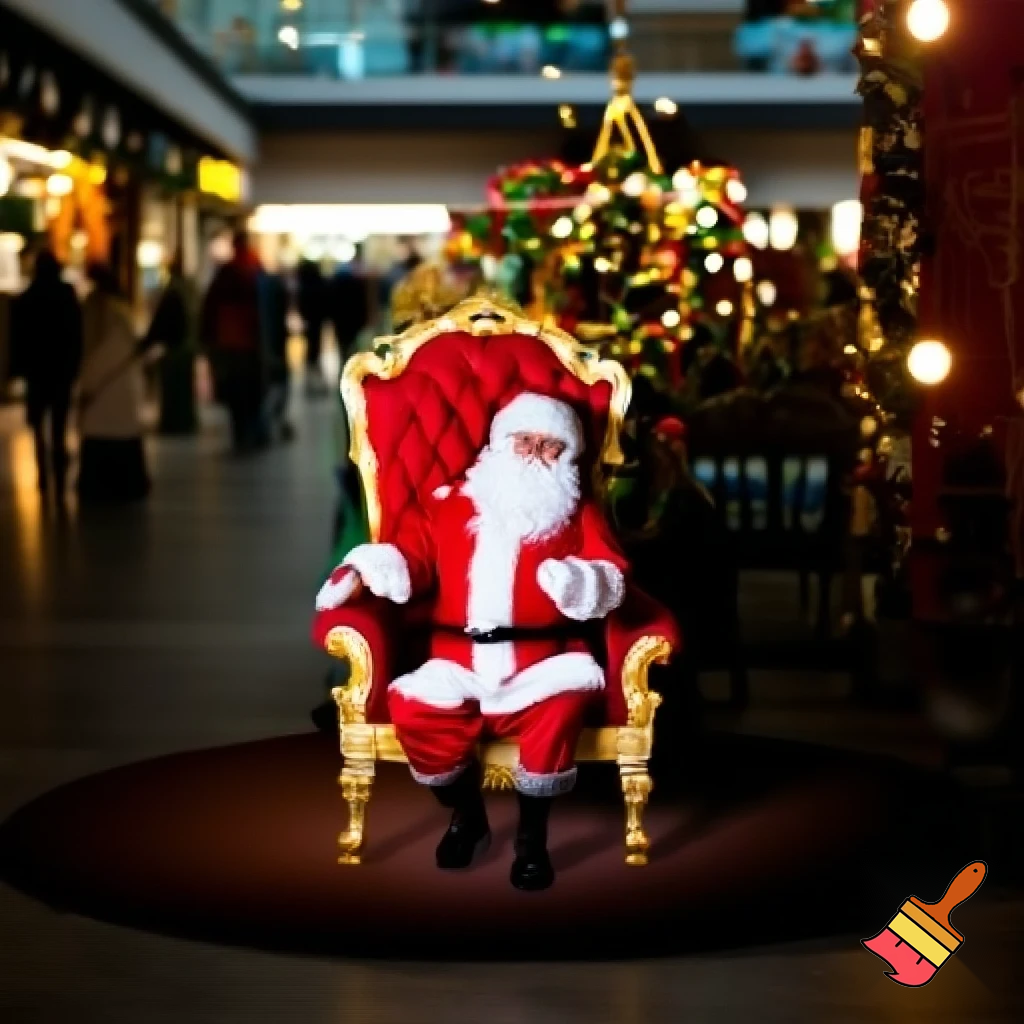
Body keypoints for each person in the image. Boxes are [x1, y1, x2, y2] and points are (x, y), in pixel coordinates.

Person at [315, 393, 628, 891]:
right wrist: (363, 570)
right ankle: (467, 816)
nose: (534, 454)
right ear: (500, 442)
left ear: (567, 454)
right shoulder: (449, 502)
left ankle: (532, 840)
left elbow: (611, 571)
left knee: (561, 707)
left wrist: (578, 581)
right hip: (458, 659)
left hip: (545, 661)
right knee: (416, 710)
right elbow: (411, 557)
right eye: (524, 440)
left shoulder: (576, 512)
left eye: (549, 445)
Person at [10, 248, 82, 498]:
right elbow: (76, 334)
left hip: (36, 372)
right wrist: (75, 366)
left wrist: (16, 370)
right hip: (60, 370)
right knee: (59, 426)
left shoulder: (26, 298)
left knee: (38, 427)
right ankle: (59, 475)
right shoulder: (66, 294)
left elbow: (17, 339)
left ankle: (43, 474)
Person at [77, 263, 150, 502]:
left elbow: (91, 349)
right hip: (120, 384)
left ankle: (100, 486)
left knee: (101, 429)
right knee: (120, 429)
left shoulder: (96, 308)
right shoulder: (120, 310)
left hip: (103, 384)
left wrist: (87, 384)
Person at [200, 229, 268, 454]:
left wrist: (209, 340)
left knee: (236, 394)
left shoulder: (228, 272)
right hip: (250, 344)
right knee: (251, 392)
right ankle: (252, 432)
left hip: (230, 343)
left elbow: (209, 309)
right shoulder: (255, 270)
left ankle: (242, 434)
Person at [144, 250, 198, 435]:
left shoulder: (174, 291)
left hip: (176, 347)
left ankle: (176, 424)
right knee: (183, 390)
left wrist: (148, 341)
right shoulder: (188, 289)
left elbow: (162, 320)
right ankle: (184, 422)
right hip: (186, 345)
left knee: (174, 390)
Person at [259, 261, 295, 443]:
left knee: (271, 386)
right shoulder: (275, 289)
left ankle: (267, 423)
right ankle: (271, 421)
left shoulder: (261, 288)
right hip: (274, 344)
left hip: (263, 344)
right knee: (279, 385)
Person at [328, 249, 370, 368]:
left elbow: (331, 303)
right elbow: (361, 303)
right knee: (354, 349)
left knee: (342, 348)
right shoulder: (357, 282)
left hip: (340, 321)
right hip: (353, 321)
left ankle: (344, 367)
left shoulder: (336, 282)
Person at [296, 257, 328, 397]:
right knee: (315, 352)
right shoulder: (319, 285)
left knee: (311, 352)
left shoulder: (303, 286)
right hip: (317, 322)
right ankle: (315, 384)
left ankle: (310, 384)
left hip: (309, 323)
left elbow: (301, 306)